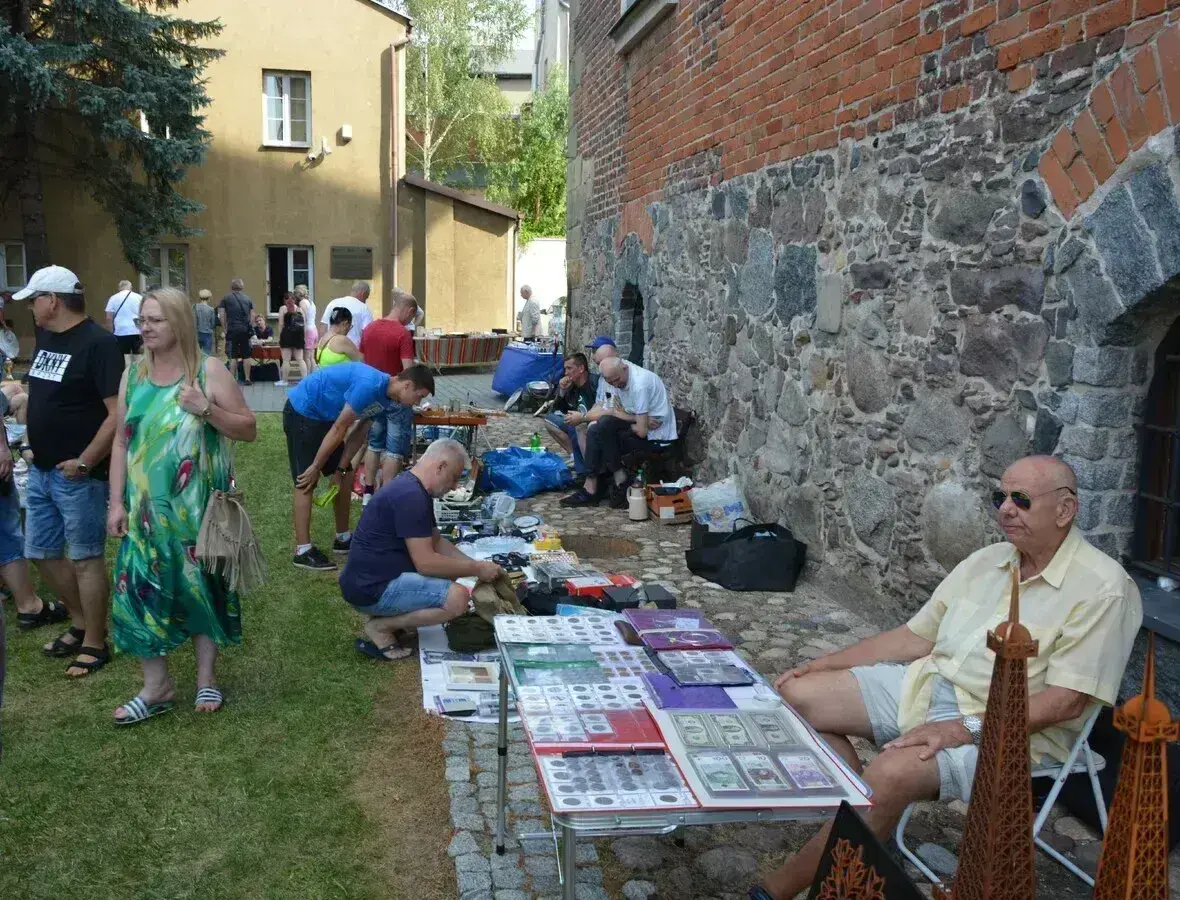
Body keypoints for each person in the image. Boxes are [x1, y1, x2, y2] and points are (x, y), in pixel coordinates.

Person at [748, 456, 1142, 900]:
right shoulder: (990, 560)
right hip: (927, 688)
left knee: (893, 772)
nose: (1006, 509)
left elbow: (1067, 701)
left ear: (1065, 509)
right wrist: (824, 663)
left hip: (1011, 735)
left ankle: (773, 890)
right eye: (1001, 497)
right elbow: (914, 638)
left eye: (1022, 499)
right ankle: (866, 825)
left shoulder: (1104, 587)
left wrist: (961, 728)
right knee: (794, 693)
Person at [107, 288, 257, 725]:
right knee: (137, 592)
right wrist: (115, 502)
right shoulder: (132, 374)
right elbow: (121, 440)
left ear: (180, 323)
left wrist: (205, 408)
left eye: (155, 320)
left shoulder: (207, 371)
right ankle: (157, 686)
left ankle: (206, 676)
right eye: (142, 321)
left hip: (197, 514)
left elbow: (248, 430)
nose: (145, 328)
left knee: (200, 589)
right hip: (144, 516)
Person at [13, 265, 123, 677]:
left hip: (79, 475)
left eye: (34, 300)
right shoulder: (47, 338)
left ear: (52, 301)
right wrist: (27, 442)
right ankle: (79, 623)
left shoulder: (100, 344)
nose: (31, 308)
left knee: (85, 558)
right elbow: (37, 397)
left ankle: (96, 642)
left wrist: (86, 460)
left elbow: (117, 414)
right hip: (40, 467)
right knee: (41, 552)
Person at [340, 439, 502, 661]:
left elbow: (436, 542)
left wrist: (476, 568)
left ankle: (395, 620)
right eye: (454, 477)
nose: (455, 486)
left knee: (453, 573)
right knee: (457, 598)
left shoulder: (411, 487)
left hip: (369, 580)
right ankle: (382, 626)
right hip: (371, 589)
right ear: (440, 466)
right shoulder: (412, 496)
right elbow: (426, 563)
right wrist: (475, 568)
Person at [283, 361, 435, 571]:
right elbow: (340, 427)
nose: (417, 402)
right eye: (419, 396)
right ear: (407, 385)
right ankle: (303, 550)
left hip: (326, 417)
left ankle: (342, 538)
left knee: (346, 474)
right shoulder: (370, 385)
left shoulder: (386, 397)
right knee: (306, 479)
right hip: (304, 410)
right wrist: (316, 466)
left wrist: (340, 469)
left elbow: (359, 434)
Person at [560, 356, 676, 509]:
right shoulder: (616, 377)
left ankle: (610, 482)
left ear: (625, 368)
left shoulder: (639, 384)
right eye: (611, 382)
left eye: (617, 380)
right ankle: (596, 484)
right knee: (598, 427)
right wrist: (636, 418)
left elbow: (641, 431)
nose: (615, 385)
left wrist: (634, 422)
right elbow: (615, 411)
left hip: (656, 437)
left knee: (603, 429)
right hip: (643, 427)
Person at [358, 289, 418, 506]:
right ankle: (386, 496)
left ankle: (368, 491)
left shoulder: (369, 329)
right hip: (396, 398)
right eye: (412, 316)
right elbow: (408, 371)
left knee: (374, 443)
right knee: (394, 448)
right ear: (409, 310)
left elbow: (362, 364)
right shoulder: (402, 334)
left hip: (373, 396)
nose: (410, 320)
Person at [542, 352, 598, 480]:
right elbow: (557, 410)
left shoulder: (594, 383)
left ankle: (586, 472)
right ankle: (574, 456)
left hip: (590, 424)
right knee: (550, 420)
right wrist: (562, 391)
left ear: (581, 368)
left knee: (577, 427)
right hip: (576, 422)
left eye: (569, 368)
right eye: (565, 369)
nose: (566, 373)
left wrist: (584, 418)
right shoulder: (572, 387)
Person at [218, 278, 254, 385]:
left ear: (232, 286)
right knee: (246, 355)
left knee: (233, 355)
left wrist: (224, 328)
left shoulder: (226, 298)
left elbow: (221, 315)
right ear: (242, 287)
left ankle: (232, 379)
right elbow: (253, 315)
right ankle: (247, 378)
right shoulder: (248, 299)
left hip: (232, 329)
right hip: (244, 330)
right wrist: (249, 326)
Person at [321, 281, 373, 346]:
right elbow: (368, 333)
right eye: (366, 297)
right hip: (353, 351)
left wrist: (321, 347)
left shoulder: (333, 303)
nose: (365, 301)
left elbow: (323, 327)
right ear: (363, 294)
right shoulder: (364, 308)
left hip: (331, 350)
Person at [104, 280, 143, 361]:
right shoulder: (139, 297)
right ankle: (138, 372)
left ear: (119, 288)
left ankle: (125, 371)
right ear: (131, 287)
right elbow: (144, 315)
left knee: (123, 357)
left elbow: (108, 317)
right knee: (139, 356)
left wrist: (111, 332)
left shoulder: (113, 298)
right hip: (137, 331)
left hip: (120, 332)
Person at [277, 291, 308, 384]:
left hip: (286, 335)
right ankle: (305, 380)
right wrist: (303, 337)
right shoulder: (299, 309)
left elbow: (281, 324)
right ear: (294, 300)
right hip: (298, 336)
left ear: (285, 300)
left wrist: (280, 337)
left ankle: (284, 381)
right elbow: (304, 324)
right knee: (300, 359)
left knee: (286, 360)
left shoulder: (283, 308)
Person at [294, 285, 317, 374]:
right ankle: (313, 376)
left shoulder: (302, 303)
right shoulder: (311, 302)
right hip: (314, 329)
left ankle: (306, 377)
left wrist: (301, 333)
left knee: (306, 357)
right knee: (311, 357)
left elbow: (303, 319)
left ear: (298, 294)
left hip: (308, 330)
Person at [193, 289, 218, 355]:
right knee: (207, 354)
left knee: (197, 354)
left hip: (197, 333)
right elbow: (213, 323)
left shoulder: (195, 307)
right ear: (209, 298)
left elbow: (194, 321)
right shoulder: (211, 309)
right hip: (207, 333)